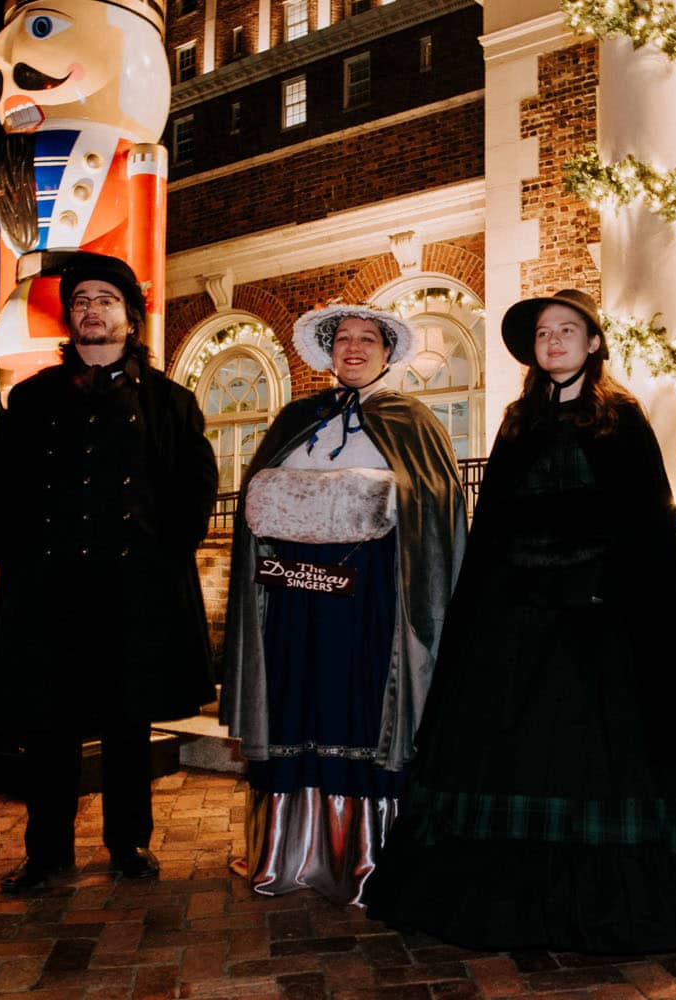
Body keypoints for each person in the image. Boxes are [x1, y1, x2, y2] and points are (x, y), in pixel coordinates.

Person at [366, 289, 676, 953]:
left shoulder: (621, 419)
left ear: (593, 343)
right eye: (543, 333)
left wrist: (608, 583)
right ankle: (520, 900)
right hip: (517, 619)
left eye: (567, 330)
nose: (553, 341)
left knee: (598, 753)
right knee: (517, 750)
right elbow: (494, 521)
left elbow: (646, 525)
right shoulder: (516, 422)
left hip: (603, 618)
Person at [0, 251, 219, 892]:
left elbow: (195, 491)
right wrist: (22, 565)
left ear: (129, 318)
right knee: (49, 727)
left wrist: (163, 562)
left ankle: (128, 844)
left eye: (105, 301)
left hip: (134, 594)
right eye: (81, 302)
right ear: (70, 318)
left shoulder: (170, 403)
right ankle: (47, 853)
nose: (92, 310)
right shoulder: (31, 399)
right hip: (50, 595)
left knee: (127, 725)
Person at [219, 303, 466, 905]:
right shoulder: (296, 418)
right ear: (329, 352)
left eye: (367, 339)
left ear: (387, 352)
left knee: (360, 706)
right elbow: (256, 503)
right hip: (292, 601)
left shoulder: (412, 421)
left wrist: (379, 500)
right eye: (343, 340)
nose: (353, 348)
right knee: (295, 702)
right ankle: (287, 852)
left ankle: (368, 857)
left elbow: (435, 503)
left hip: (370, 603)